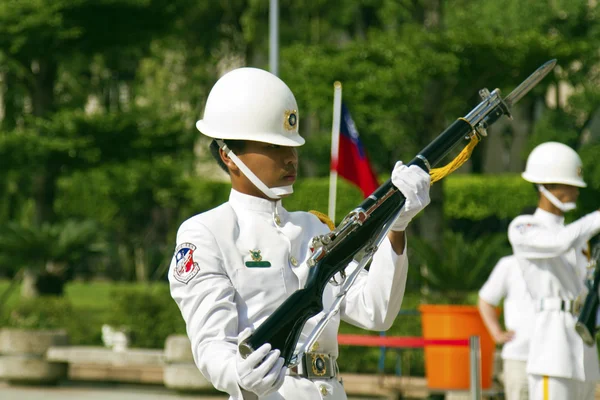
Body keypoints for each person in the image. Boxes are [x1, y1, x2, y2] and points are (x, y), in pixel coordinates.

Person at [168, 67, 431, 400]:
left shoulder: (313, 228)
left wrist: (396, 226)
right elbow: (211, 343)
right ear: (228, 155)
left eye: (291, 145)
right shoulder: (207, 233)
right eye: (273, 146)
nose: (290, 157)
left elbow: (376, 310)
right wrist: (238, 373)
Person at [508, 141, 600, 399]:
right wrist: (596, 219)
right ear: (548, 187)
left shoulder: (577, 236)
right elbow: (558, 243)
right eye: (571, 185)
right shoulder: (524, 227)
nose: (577, 192)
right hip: (553, 348)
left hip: (584, 347)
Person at [478, 254, 535, 400]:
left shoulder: (560, 260)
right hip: (519, 357)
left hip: (555, 358)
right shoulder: (509, 264)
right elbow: (485, 300)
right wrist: (496, 333)